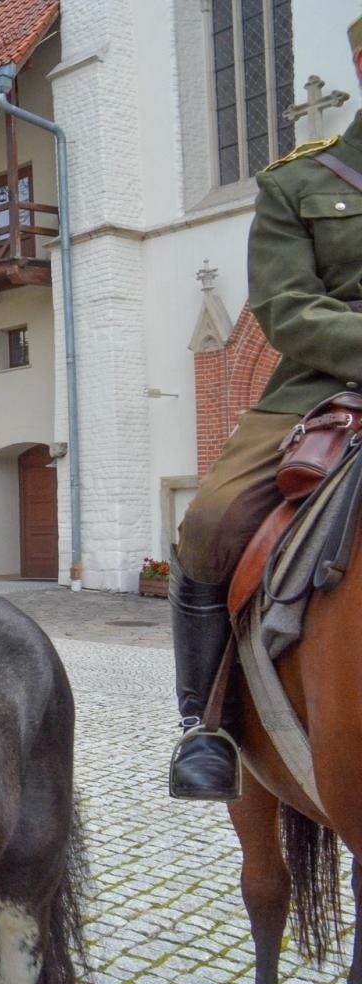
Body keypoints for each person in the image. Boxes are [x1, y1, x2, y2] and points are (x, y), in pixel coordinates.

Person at [167, 17, 362, 801]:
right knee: (208, 522)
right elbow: (286, 310)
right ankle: (204, 726)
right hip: (322, 387)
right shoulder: (301, 183)